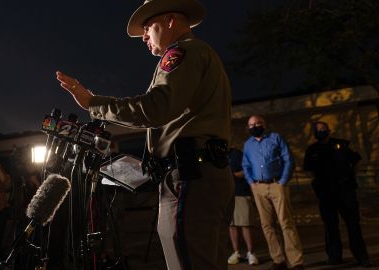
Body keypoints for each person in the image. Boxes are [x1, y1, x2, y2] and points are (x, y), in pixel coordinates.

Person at [55, 0, 235, 268]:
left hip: (189, 178)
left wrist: (93, 103)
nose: (143, 36)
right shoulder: (199, 53)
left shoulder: (181, 53)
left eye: (148, 26)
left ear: (170, 21)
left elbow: (155, 109)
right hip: (200, 173)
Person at [303, 121, 373, 267]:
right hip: (326, 193)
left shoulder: (342, 144)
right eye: (318, 130)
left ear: (329, 130)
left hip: (345, 190)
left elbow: (356, 160)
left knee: (353, 225)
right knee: (330, 226)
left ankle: (362, 257)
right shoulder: (312, 150)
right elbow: (309, 171)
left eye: (323, 128)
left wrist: (350, 177)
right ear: (315, 133)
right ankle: (335, 257)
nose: (321, 131)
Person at [242, 115, 304, 270]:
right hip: (259, 188)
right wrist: (251, 183)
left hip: (277, 185)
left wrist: (283, 181)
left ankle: (296, 262)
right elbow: (245, 165)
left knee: (286, 223)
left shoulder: (276, 138)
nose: (254, 126)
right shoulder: (248, 145)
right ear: (248, 128)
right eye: (251, 125)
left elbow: (288, 159)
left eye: (257, 123)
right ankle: (278, 260)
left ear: (264, 124)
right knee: (267, 225)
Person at [227, 147, 259, 266]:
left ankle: (251, 252)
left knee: (245, 224)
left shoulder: (237, 154)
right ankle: (236, 252)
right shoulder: (217, 155)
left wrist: (233, 175)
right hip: (227, 194)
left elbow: (247, 170)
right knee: (232, 225)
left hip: (241, 192)